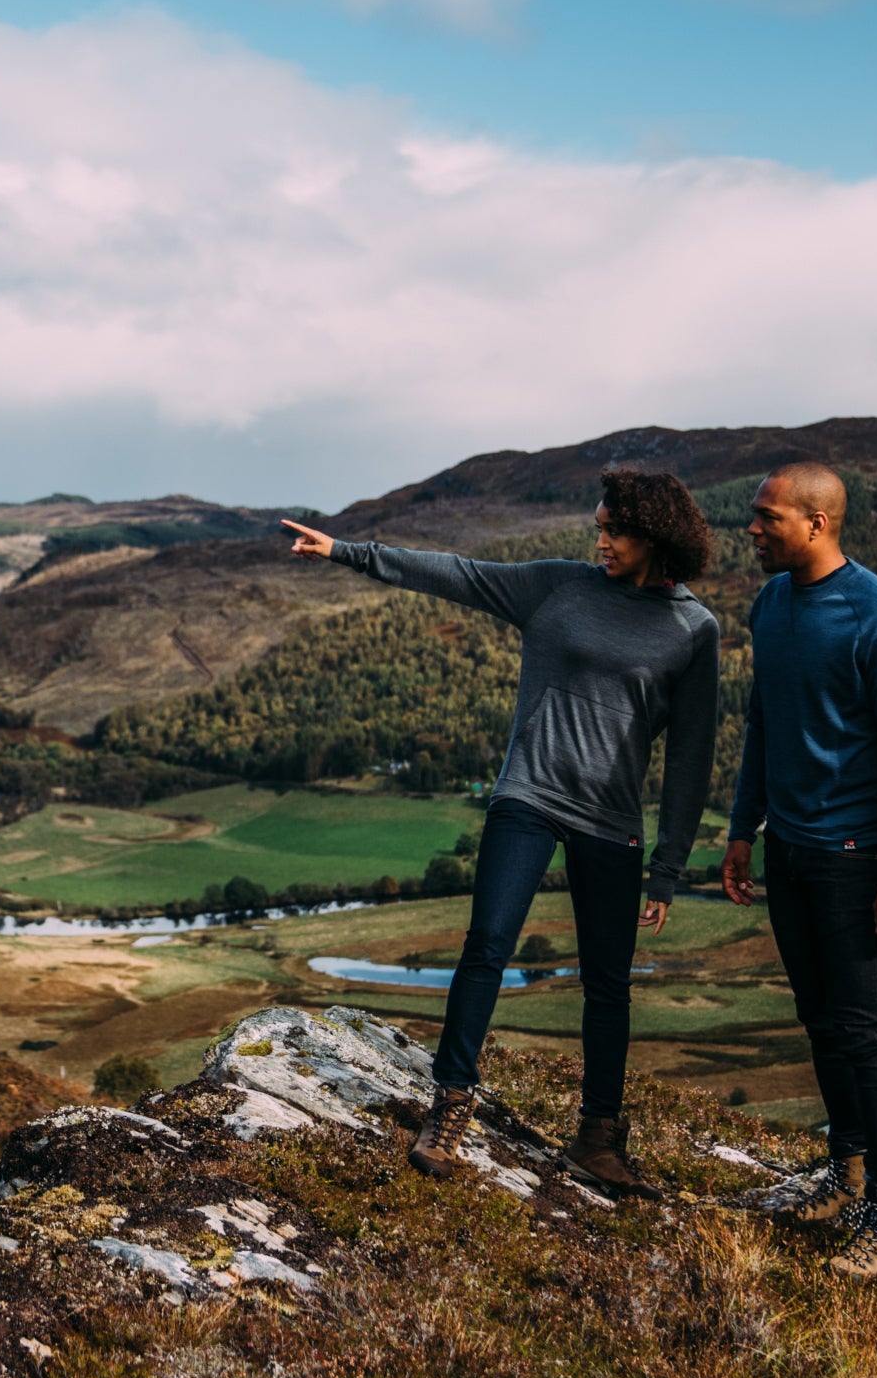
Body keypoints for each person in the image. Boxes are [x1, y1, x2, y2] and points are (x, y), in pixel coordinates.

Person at [285, 470, 720, 1198]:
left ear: (657, 538)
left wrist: (670, 864)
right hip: (529, 794)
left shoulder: (693, 630)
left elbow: (692, 759)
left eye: (614, 529)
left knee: (608, 985)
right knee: (487, 944)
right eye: (599, 526)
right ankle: (450, 1104)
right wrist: (346, 551)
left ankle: (598, 1139)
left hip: (612, 822)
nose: (601, 540)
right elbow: (457, 573)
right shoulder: (559, 586)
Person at [720, 461, 877, 1279]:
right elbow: (764, 727)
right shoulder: (772, 604)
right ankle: (847, 1177)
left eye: (767, 516)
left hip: (857, 862)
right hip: (791, 851)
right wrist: (743, 831)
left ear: (817, 524)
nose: (753, 528)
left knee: (867, 1031)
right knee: (820, 1016)